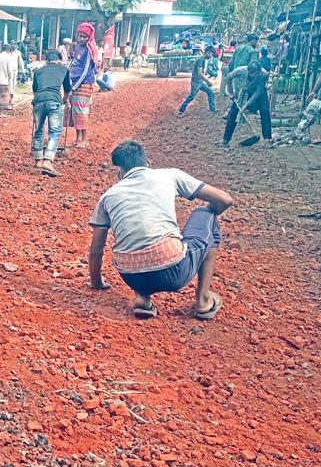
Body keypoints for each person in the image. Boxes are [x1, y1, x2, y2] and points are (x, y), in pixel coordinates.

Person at [89, 141, 234, 320]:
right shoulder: (170, 175)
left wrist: (96, 282)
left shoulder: (107, 196)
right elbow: (225, 200)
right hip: (174, 272)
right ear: (148, 163)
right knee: (204, 213)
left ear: (118, 170)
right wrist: (210, 215)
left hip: (131, 276)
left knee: (134, 237)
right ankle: (203, 300)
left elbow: (96, 250)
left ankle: (142, 298)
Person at [31, 50, 71, 176]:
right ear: (59, 59)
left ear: (46, 60)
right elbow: (67, 89)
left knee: (38, 130)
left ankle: (38, 159)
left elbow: (35, 91)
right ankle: (48, 160)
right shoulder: (63, 70)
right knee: (54, 132)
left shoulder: (38, 71)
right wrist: (65, 100)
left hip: (39, 101)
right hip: (54, 100)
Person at [65, 22, 99, 147]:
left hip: (83, 84)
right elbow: (73, 64)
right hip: (74, 83)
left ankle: (85, 139)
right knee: (75, 112)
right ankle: (78, 138)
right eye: (80, 36)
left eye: (85, 37)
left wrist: (75, 86)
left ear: (89, 37)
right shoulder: (77, 47)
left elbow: (85, 70)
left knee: (81, 111)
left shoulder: (89, 50)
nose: (82, 39)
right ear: (77, 35)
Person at [222, 60, 271, 146]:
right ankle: (225, 140)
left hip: (259, 91)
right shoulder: (240, 71)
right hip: (244, 91)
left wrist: (246, 104)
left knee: (265, 111)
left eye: (257, 74)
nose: (255, 76)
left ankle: (267, 139)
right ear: (248, 71)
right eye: (253, 74)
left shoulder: (263, 74)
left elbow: (259, 91)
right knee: (234, 112)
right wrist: (231, 92)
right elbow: (229, 77)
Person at [178, 48, 217, 116]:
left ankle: (212, 109)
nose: (211, 56)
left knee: (210, 92)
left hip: (200, 82)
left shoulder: (202, 60)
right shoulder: (200, 60)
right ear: (208, 52)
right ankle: (181, 111)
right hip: (196, 82)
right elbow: (200, 74)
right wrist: (208, 82)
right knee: (191, 96)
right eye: (211, 54)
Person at [0, 42, 24, 116]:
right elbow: (9, 70)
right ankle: (1, 113)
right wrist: (10, 77)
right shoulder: (8, 57)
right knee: (3, 96)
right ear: (8, 50)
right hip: (4, 80)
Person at [225, 33, 258, 100]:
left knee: (236, 92)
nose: (256, 43)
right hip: (245, 75)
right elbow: (253, 65)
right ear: (253, 41)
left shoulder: (238, 49)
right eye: (256, 42)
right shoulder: (252, 51)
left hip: (235, 73)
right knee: (243, 94)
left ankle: (232, 108)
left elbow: (231, 63)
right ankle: (241, 108)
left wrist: (231, 72)